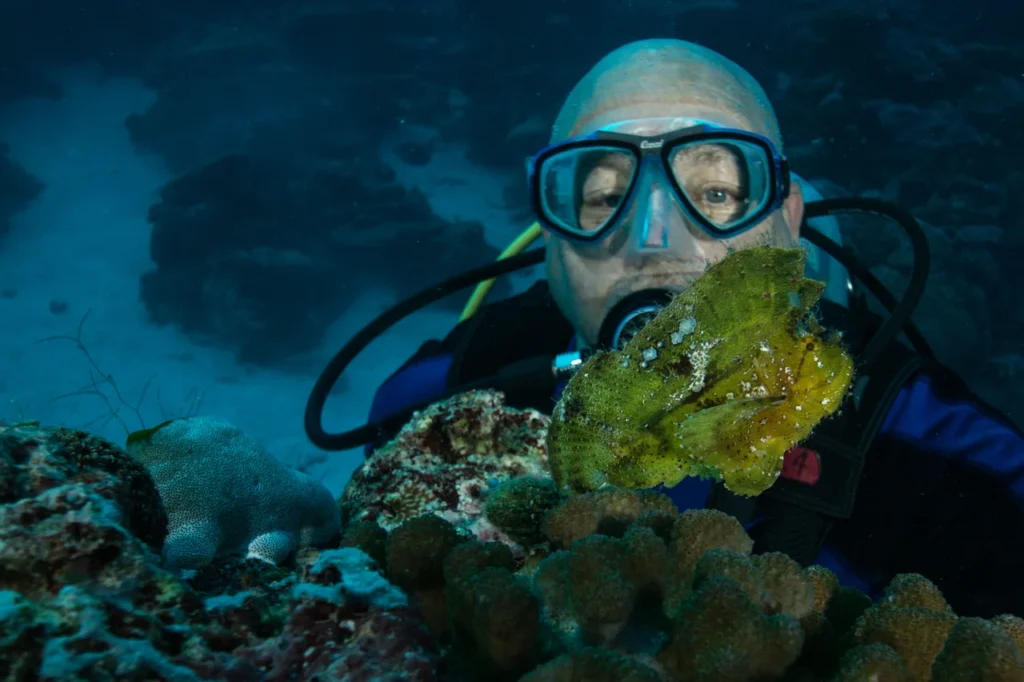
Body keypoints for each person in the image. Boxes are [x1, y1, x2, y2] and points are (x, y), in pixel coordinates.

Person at [364, 39, 1024, 617]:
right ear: (552, 240)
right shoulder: (434, 407)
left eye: (714, 191)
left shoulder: (952, 466)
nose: (654, 238)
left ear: (787, 219)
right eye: (602, 196)